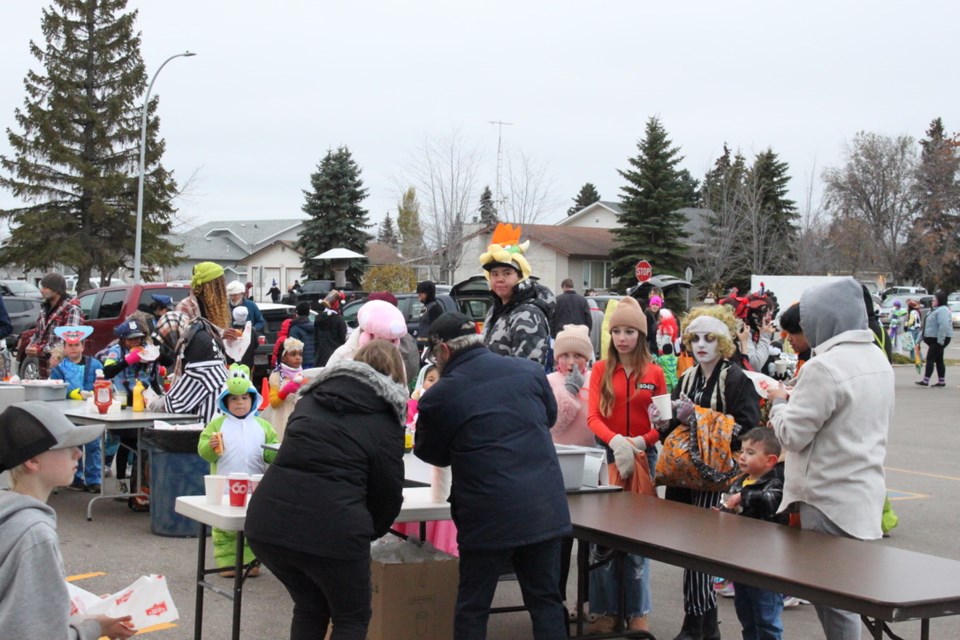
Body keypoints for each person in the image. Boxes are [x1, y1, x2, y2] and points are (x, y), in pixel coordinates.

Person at [415, 312, 571, 640]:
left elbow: (430, 453)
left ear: (443, 350)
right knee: (545, 600)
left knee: (474, 605)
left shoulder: (439, 397)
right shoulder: (528, 371)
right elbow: (548, 417)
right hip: (544, 507)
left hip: (486, 514)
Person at [245, 340, 406, 640]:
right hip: (334, 529)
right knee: (352, 617)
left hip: (267, 522)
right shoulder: (386, 417)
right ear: (396, 375)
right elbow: (388, 492)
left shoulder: (311, 398)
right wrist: (365, 530)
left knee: (310, 606)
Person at [767, 277, 893, 640]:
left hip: (825, 498)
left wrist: (778, 400)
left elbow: (791, 434)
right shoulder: (877, 359)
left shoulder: (824, 367)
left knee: (833, 602)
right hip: (863, 494)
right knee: (846, 596)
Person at [655, 304, 760, 640]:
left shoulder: (735, 378)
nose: (701, 345)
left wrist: (698, 417)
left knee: (702, 552)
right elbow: (675, 424)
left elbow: (748, 429)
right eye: (695, 338)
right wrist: (661, 423)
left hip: (715, 476)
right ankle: (702, 624)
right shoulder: (687, 376)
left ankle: (697, 626)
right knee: (690, 550)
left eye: (710, 338)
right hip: (685, 474)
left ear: (724, 342)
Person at [0, 401, 136, 640]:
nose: (79, 453)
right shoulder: (34, 533)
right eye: (68, 445)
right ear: (32, 460)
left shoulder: (9, 513)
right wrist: (95, 626)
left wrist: (86, 613)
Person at [585, 296, 664, 634]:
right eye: (616, 331)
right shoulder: (601, 370)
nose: (622, 338)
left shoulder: (656, 372)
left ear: (641, 335)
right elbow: (592, 416)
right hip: (606, 457)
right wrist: (615, 441)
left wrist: (641, 442)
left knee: (636, 540)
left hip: (643, 458)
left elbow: (664, 421)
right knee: (602, 540)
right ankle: (604, 611)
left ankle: (637, 612)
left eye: (629, 331)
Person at [198, 364, 278, 577]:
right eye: (234, 399)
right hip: (224, 485)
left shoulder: (263, 426)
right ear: (225, 401)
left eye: (244, 398)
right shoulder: (216, 425)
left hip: (255, 485)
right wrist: (211, 447)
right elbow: (204, 451)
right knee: (225, 527)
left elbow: (272, 451)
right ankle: (227, 562)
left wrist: (275, 454)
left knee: (252, 526)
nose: (240, 402)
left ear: (253, 400)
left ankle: (251, 563)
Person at [545, 324, 595, 616]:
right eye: (566, 355)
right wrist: (569, 393)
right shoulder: (550, 381)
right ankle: (557, 601)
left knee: (588, 542)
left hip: (590, 464)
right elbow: (554, 423)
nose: (572, 361)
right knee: (560, 542)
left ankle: (587, 600)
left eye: (578, 355)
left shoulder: (595, 380)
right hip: (558, 466)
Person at [720, 428, 787, 640]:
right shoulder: (739, 482)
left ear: (770, 460)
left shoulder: (774, 483)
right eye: (742, 451)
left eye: (750, 452)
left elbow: (770, 500)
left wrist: (744, 496)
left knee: (766, 618)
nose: (742, 456)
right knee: (746, 615)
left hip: (765, 565)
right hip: (742, 561)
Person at [150, 262, 230, 422]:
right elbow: (191, 378)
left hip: (205, 398)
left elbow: (189, 388)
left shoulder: (200, 340)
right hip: (195, 376)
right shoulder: (186, 309)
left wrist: (161, 402)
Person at [479, 223, 555, 366]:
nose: (499, 279)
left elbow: (528, 371)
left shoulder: (528, 314)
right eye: (494, 274)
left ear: (520, 276)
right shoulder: (494, 311)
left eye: (507, 273)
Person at [49, 326, 104, 493]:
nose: (73, 348)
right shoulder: (59, 368)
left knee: (94, 444)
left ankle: (94, 479)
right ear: (65, 347)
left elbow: (103, 382)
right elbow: (55, 387)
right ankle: (75, 477)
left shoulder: (95, 364)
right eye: (70, 345)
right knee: (74, 445)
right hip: (69, 412)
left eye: (76, 345)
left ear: (82, 346)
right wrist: (72, 393)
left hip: (91, 410)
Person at [26, 272, 83, 378]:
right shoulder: (44, 307)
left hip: (63, 370)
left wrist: (42, 350)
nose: (41, 290)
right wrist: (31, 345)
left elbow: (70, 339)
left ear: (56, 290)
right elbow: (38, 333)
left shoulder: (71, 309)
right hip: (44, 369)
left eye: (45, 287)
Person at [261, 338, 305, 441]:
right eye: (293, 354)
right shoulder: (277, 376)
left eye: (300, 354)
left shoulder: (304, 374)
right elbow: (274, 403)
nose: (298, 358)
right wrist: (285, 391)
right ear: (283, 358)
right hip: (282, 417)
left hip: (300, 415)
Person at [916, 289, 953, 387]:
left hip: (939, 339)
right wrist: (918, 340)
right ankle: (941, 381)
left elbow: (944, 325)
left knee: (930, 358)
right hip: (933, 339)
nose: (932, 302)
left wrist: (940, 340)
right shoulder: (933, 310)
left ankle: (925, 380)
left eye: (934, 300)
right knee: (939, 359)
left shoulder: (943, 310)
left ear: (940, 300)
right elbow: (925, 327)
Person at [314, 290, 347, 367]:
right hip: (335, 357)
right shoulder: (339, 320)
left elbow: (315, 338)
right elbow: (343, 339)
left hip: (320, 356)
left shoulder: (318, 318)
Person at [416, 280, 445, 353]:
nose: (418, 295)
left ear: (428, 293)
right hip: (421, 343)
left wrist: (432, 345)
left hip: (429, 346)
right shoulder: (426, 306)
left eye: (421, 292)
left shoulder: (435, 308)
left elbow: (436, 328)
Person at [288, 301, 316, 367]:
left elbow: (293, 347)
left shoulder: (295, 328)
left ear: (297, 313)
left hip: (300, 362)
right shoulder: (314, 326)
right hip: (315, 360)